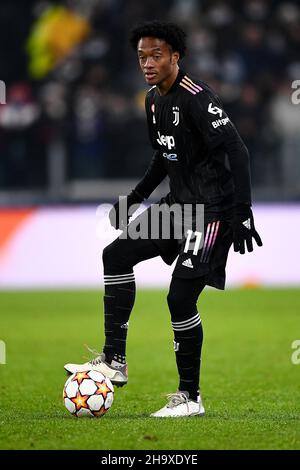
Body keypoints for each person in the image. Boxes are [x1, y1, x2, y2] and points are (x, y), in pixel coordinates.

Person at [64, 21, 262, 418]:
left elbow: (237, 151)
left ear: (175, 56)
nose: (148, 64)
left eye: (156, 55)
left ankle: (190, 397)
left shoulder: (198, 98)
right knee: (115, 255)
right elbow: (163, 156)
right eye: (142, 57)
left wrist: (242, 212)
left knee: (179, 298)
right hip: (177, 207)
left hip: (211, 213)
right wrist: (135, 199)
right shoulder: (152, 100)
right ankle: (114, 361)